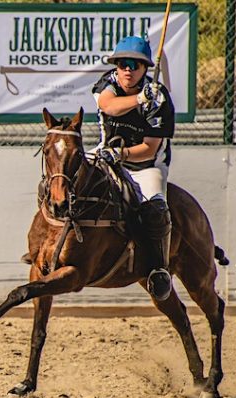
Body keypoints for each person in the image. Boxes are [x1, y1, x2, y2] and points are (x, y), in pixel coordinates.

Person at [91, 35, 175, 301]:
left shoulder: (160, 99)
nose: (128, 69)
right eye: (123, 63)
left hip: (146, 165)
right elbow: (109, 106)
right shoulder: (109, 83)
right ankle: (49, 246)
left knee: (155, 208)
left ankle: (158, 269)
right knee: (67, 175)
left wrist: (122, 153)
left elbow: (149, 149)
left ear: (145, 69)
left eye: (135, 65)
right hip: (106, 153)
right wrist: (140, 99)